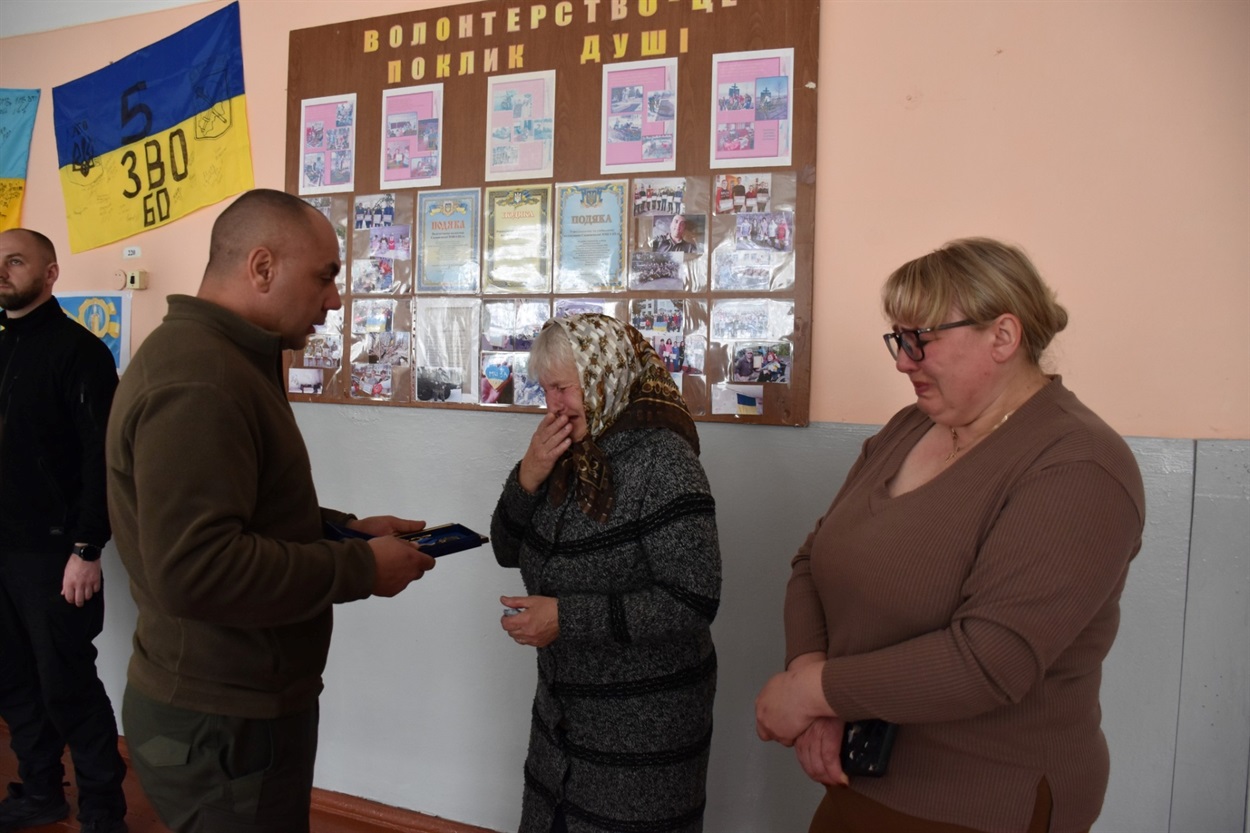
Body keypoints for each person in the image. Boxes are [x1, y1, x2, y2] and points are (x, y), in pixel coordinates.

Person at [755, 237, 1145, 833]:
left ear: (1003, 336)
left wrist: (813, 693)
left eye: (921, 339)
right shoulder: (909, 428)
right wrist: (816, 687)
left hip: (982, 797)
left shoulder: (1078, 464)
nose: (902, 362)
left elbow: (989, 661)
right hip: (859, 771)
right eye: (898, 339)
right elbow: (813, 561)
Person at [105, 189, 437, 833]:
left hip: (245, 709)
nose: (334, 300)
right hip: (221, 724)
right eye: (325, 276)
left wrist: (341, 530)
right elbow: (196, 568)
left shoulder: (227, 359)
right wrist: (361, 569)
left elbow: (239, 507)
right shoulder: (199, 378)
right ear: (262, 268)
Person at [491, 313, 721, 833]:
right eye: (545, 390)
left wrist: (566, 619)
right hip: (563, 721)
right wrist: (526, 477)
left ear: (604, 377)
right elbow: (506, 550)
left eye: (564, 388)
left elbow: (693, 599)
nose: (553, 406)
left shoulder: (665, 462)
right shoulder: (566, 454)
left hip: (644, 731)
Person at [0, 229, 129, 832]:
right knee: (13, 682)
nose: (2, 271)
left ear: (50, 273)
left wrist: (87, 548)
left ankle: (103, 808)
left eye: (15, 261)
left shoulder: (80, 352)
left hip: (54, 555)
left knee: (66, 684)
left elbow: (103, 461)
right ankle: (41, 791)